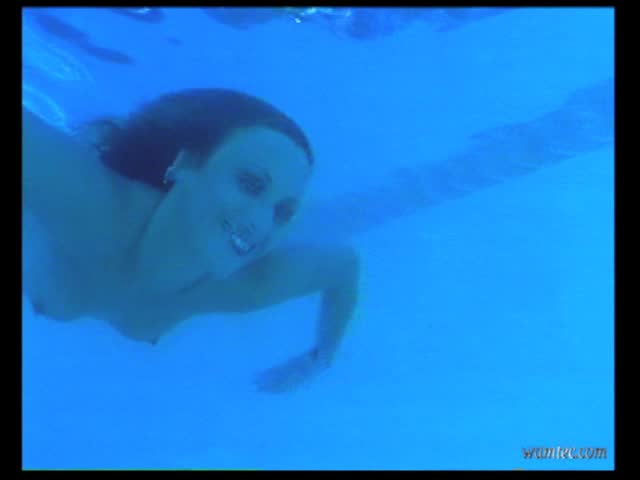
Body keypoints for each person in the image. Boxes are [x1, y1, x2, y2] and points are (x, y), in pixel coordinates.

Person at [22, 88, 360, 393]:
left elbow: (345, 267)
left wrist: (321, 357)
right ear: (186, 164)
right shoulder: (87, 201)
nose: (262, 222)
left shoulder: (248, 284)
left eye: (282, 211)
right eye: (250, 184)